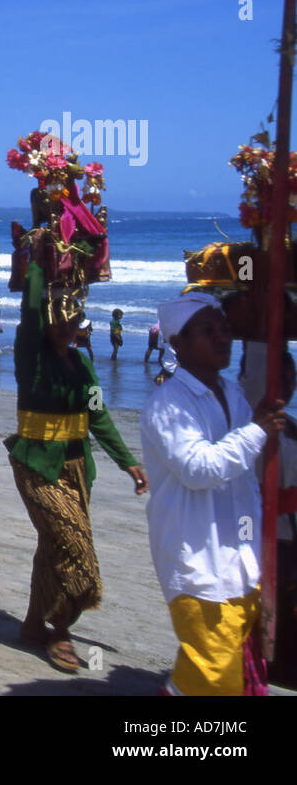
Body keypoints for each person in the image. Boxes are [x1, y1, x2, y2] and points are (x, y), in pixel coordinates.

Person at [7, 256, 147, 673]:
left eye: (75, 320)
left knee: (52, 546)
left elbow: (98, 416)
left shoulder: (83, 363)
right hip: (37, 466)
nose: (68, 327)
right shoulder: (31, 356)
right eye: (60, 320)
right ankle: (61, 630)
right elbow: (31, 309)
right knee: (75, 551)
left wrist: (128, 462)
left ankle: (34, 624)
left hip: (78, 469)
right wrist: (37, 258)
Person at [140, 293, 285, 695]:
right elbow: (199, 469)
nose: (223, 338)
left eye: (224, 328)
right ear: (178, 343)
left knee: (222, 673)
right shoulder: (167, 404)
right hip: (198, 559)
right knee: (211, 676)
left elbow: (240, 470)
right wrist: (257, 431)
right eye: (208, 330)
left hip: (238, 555)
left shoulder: (231, 393)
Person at [238, 340, 297, 687]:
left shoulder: (289, 425)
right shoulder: (252, 421)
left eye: (291, 379)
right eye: (281, 379)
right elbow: (259, 368)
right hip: (255, 532)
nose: (287, 386)